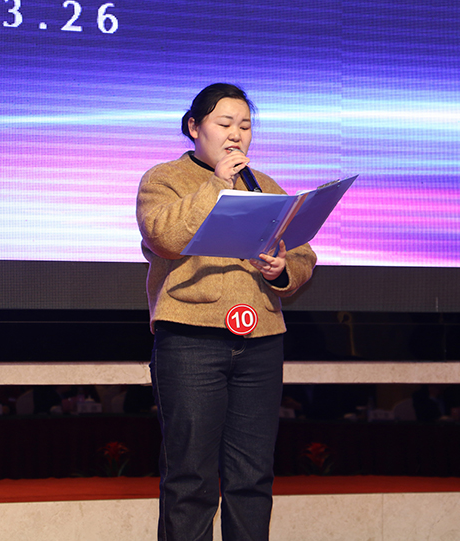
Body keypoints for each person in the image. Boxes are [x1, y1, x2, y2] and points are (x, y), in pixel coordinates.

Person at [136, 83, 317, 541]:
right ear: (194, 127)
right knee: (191, 477)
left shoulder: (264, 185)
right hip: (191, 339)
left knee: (252, 476)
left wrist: (283, 270)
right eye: (225, 124)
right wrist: (218, 183)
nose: (237, 135)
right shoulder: (163, 179)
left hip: (261, 340)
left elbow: (303, 253)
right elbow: (165, 238)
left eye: (245, 126)